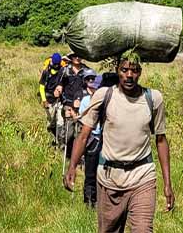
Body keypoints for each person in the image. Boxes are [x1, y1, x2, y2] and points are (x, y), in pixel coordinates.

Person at [65, 52, 173, 232]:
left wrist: (168, 183)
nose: (129, 75)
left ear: (140, 72)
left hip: (142, 176)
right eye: (124, 70)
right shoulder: (104, 95)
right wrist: (72, 166)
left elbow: (161, 140)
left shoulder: (153, 98)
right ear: (117, 70)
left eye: (134, 70)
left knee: (143, 229)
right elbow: (84, 135)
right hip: (109, 178)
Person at [76, 70, 104, 208]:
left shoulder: (107, 100)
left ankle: (100, 200)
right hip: (91, 138)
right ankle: (89, 201)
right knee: (90, 171)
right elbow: (81, 120)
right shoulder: (86, 101)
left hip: (104, 139)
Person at [39, 52, 66, 144]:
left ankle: (59, 143)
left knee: (60, 122)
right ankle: (51, 139)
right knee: (50, 123)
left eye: (57, 64)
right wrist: (44, 100)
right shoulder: (46, 71)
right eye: (55, 64)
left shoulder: (63, 71)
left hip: (59, 101)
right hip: (49, 100)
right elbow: (41, 87)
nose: (56, 65)